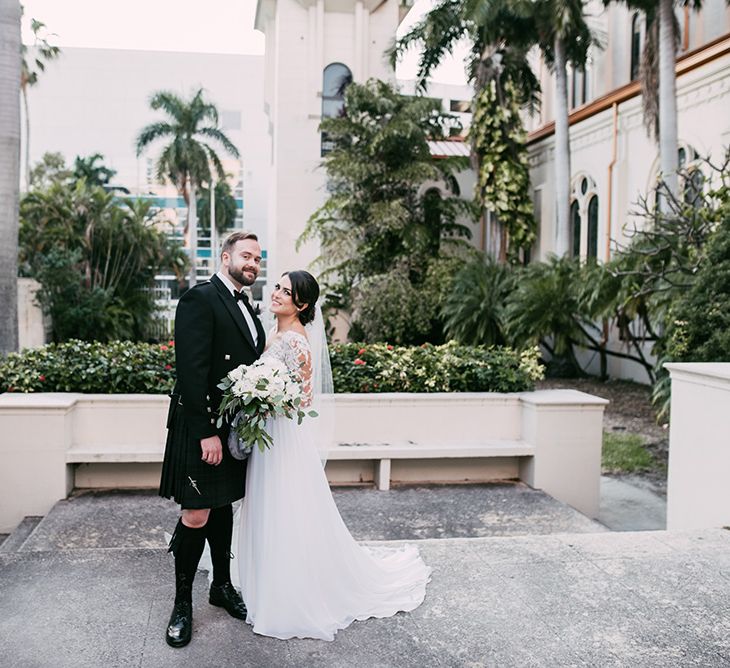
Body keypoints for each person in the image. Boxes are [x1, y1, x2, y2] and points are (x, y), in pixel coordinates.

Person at [238, 270, 431, 640]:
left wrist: (269, 400)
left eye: (286, 291)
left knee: (286, 508)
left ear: (303, 304)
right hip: (268, 436)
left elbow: (305, 398)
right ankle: (265, 577)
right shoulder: (275, 335)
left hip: (283, 438)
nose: (277, 294)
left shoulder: (297, 342)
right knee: (266, 505)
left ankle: (290, 592)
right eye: (277, 287)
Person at [159, 231, 266, 648]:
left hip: (232, 425)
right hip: (201, 424)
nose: (252, 262)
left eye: (257, 257)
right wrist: (206, 432)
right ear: (225, 257)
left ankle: (221, 586)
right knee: (197, 513)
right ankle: (182, 604)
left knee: (223, 506)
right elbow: (190, 369)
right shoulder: (200, 299)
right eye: (245, 255)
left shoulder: (247, 307)